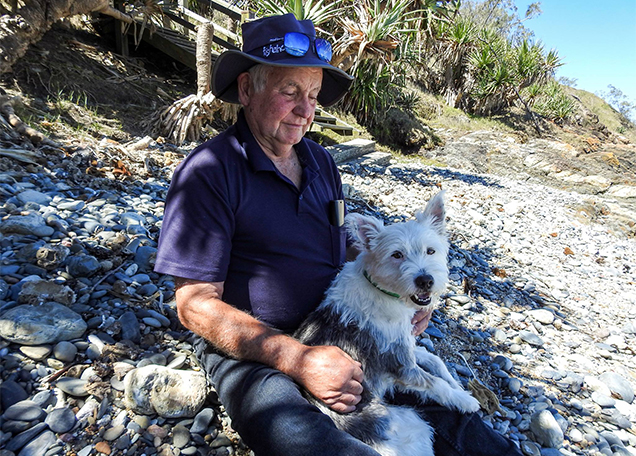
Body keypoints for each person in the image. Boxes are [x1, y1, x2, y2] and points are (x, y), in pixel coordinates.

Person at [155, 13, 523, 456]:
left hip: (345, 325)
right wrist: (298, 358)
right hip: (254, 353)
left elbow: (344, 246)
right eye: (290, 91)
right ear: (247, 88)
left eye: (312, 95)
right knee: (312, 441)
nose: (306, 110)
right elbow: (194, 305)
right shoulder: (209, 172)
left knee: (463, 430)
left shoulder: (321, 162)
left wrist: (403, 294)